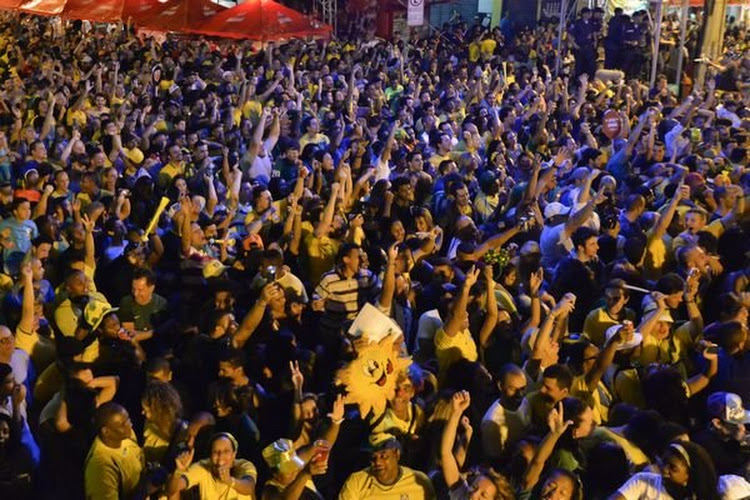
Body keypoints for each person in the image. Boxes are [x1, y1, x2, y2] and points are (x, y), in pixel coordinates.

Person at [338, 436, 436, 499]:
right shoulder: (357, 482)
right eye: (373, 457)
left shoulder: (420, 481)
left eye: (383, 456)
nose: (377, 462)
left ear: (397, 454)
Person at [168, 432, 257, 500]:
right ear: (210, 456)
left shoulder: (244, 465)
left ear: (234, 454)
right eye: (215, 452)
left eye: (226, 451)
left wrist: (229, 481)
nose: (221, 456)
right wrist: (178, 471)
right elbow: (173, 489)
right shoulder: (203, 467)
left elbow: (249, 487)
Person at [83, 402, 145, 500]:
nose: (130, 425)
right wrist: (143, 491)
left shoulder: (126, 436)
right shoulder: (101, 466)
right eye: (122, 424)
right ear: (106, 432)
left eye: (128, 419)